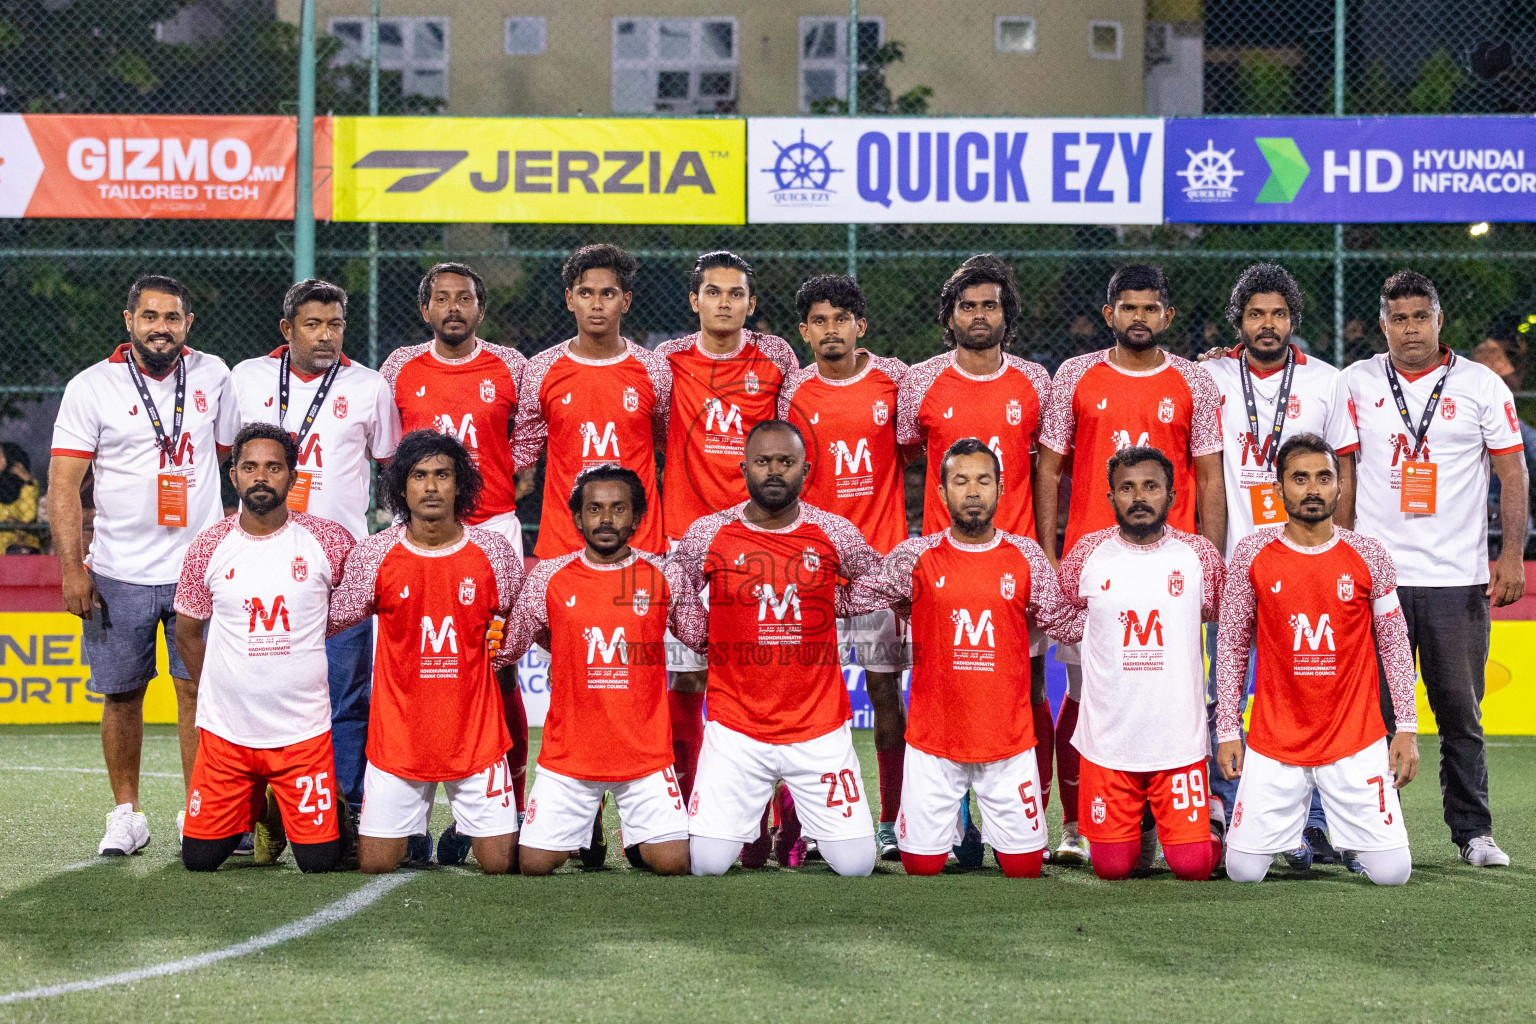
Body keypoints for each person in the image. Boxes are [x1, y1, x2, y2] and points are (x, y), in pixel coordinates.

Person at [1034, 264, 1225, 864]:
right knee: (1087, 694)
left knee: (1172, 691)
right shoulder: (1075, 376)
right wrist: (1047, 548)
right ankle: (1075, 825)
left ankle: (1181, 816)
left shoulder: (1195, 379)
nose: (1138, 317)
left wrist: (1210, 558)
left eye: (1150, 308)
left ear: (1167, 316)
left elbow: (1211, 476)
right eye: (1127, 307)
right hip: (1095, 567)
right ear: (1109, 313)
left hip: (1171, 566)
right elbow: (1049, 469)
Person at [1341, 270, 1527, 867]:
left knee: (1459, 714)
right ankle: (1367, 831)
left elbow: (1512, 473)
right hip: (1376, 581)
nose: (1410, 329)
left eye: (1421, 317)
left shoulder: (1481, 385)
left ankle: (1473, 834)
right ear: (1383, 324)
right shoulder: (1355, 382)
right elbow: (1340, 474)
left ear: (1439, 320)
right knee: (1368, 716)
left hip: (1456, 576)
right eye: (1399, 318)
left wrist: (1510, 555)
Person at [49, 274, 238, 856]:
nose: (161, 327)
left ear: (189, 325)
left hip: (199, 571)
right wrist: (73, 568)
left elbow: (225, 455)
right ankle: (126, 814)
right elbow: (63, 486)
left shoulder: (215, 375)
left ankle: (200, 811)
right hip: (116, 571)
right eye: (150, 316)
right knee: (123, 694)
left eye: (173, 318)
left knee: (196, 693)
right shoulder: (92, 386)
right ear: (128, 321)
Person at [849, 438, 1075, 877]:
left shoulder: (1026, 555)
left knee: (1025, 867)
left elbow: (1067, 624)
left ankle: (984, 825)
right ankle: (954, 827)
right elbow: (854, 597)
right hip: (934, 744)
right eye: (960, 480)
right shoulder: (913, 557)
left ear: (1001, 487)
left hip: (1006, 743)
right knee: (920, 865)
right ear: (941, 491)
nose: (972, 491)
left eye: (983, 480)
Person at [896, 255, 1057, 854]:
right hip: (945, 569)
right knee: (943, 687)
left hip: (1015, 566)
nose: (980, 315)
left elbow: (1047, 470)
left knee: (1031, 687)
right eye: (968, 306)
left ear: (1006, 314)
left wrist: (1042, 548)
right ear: (951, 316)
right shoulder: (923, 380)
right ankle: (953, 826)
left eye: (990, 305)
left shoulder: (1035, 381)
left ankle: (1025, 812)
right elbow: (907, 458)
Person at [1201, 263, 1360, 866]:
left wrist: (1335, 552)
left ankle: (1317, 823)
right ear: (1238, 322)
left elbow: (1346, 469)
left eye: (1278, 314)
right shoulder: (1209, 375)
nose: (1267, 325)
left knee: (1310, 695)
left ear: (1294, 320)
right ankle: (1237, 809)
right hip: (1240, 565)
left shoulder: (1326, 381)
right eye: (1255, 314)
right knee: (1229, 692)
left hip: (1309, 565)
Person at [675, 420, 882, 877]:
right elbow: (676, 586)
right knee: (707, 864)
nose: (774, 471)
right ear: (743, 467)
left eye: (785, 462)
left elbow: (876, 579)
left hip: (818, 727)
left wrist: (832, 602)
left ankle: (792, 824)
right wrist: (704, 636)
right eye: (763, 461)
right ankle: (753, 824)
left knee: (857, 865)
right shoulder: (709, 532)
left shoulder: (835, 531)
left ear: (805, 470)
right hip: (736, 728)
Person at [230, 279, 401, 829]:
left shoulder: (370, 386)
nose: (326, 337)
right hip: (260, 561)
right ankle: (259, 815)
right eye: (313, 325)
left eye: (336, 325)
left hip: (340, 568)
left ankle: (343, 808)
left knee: (347, 694)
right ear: (287, 329)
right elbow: (224, 460)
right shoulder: (247, 378)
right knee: (261, 691)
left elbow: (391, 467)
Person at [1215, 434, 1419, 885]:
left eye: (1324, 478)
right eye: (1300, 478)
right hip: (1275, 739)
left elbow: (1395, 646)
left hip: (1355, 738)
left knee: (1394, 874)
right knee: (1243, 871)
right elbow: (1230, 644)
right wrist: (1228, 729)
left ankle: (1343, 834)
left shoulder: (1370, 555)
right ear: (1278, 489)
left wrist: (1406, 727)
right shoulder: (1251, 554)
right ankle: (1294, 836)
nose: (1312, 489)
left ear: (1340, 487)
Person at [381, 262, 532, 840]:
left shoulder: (511, 366)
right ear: (425, 310)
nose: (453, 308)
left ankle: (508, 805)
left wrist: (485, 481)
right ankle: (409, 815)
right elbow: (387, 449)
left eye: (464, 298)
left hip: (491, 526)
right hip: (414, 533)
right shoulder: (399, 366)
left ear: (480, 308)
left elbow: (529, 439)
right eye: (441, 299)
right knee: (413, 664)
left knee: (499, 666)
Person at [328, 430, 524, 875]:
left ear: (462, 486)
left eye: (442, 475)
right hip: (399, 739)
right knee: (376, 865)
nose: (431, 487)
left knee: (501, 865)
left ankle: (462, 830)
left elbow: (521, 619)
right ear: (402, 487)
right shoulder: (375, 554)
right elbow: (332, 620)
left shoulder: (494, 552)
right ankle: (409, 831)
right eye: (419, 476)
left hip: (474, 738)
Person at [653, 251, 796, 848]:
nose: (724, 303)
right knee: (686, 682)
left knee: (768, 681)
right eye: (713, 292)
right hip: (686, 545)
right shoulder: (666, 362)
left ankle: (781, 822)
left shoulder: (777, 358)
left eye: (735, 294)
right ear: (695, 301)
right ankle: (691, 809)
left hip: (756, 543)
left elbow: (789, 446)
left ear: (751, 303)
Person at [504, 465, 706, 877]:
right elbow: (511, 645)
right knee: (534, 866)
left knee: (673, 865)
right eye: (594, 509)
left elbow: (703, 638)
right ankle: (591, 823)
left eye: (618, 509)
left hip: (645, 757)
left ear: (637, 517)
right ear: (577, 518)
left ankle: (637, 837)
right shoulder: (548, 577)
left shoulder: (665, 574)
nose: (606, 519)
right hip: (569, 758)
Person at [172, 424, 354, 873]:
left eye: (273, 468)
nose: (260, 477)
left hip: (302, 734)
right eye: (249, 467)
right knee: (198, 860)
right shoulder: (208, 546)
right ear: (232, 476)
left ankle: (335, 808)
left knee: (319, 863)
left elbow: (351, 614)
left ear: (293, 477)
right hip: (227, 735)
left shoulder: (329, 541)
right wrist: (216, 691)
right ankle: (268, 811)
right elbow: (188, 633)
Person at [780, 274, 913, 862]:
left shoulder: (896, 381)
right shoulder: (793, 394)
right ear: (803, 331)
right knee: (803, 698)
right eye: (819, 321)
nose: (830, 330)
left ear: (861, 325)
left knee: (886, 694)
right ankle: (804, 825)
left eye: (842, 319)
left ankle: (891, 818)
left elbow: (920, 450)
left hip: (881, 570)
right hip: (813, 572)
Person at [1053, 447, 1225, 881]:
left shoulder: (1199, 555)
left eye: (1151, 486)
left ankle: (1215, 815)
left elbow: (1221, 615)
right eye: (1127, 488)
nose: (1139, 497)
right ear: (1110, 496)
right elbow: (1064, 616)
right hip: (1109, 745)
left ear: (1171, 494)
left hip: (1178, 742)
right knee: (1112, 869)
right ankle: (1143, 820)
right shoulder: (1086, 555)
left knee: (1195, 868)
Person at [515, 243, 671, 560]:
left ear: (625, 301)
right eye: (585, 293)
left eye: (608, 294)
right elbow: (524, 449)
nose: (596, 304)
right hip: (564, 541)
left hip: (638, 541)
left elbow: (666, 442)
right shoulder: (541, 369)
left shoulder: (654, 369)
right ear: (570, 299)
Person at [0, 441, 42, 552]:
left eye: (1, 456)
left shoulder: (28, 487)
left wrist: (27, 482)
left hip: (20, 547)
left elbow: (28, 516)